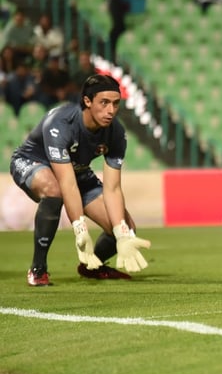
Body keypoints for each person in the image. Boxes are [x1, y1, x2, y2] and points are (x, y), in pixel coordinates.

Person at [9, 74, 152, 287]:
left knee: (125, 227)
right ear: (87, 101)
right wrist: (79, 227)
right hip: (33, 162)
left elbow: (112, 188)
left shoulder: (116, 132)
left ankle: (90, 267)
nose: (111, 110)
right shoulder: (61, 123)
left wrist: (121, 233)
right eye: (104, 103)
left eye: (115, 103)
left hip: (77, 172)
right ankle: (38, 269)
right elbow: (67, 184)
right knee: (54, 190)